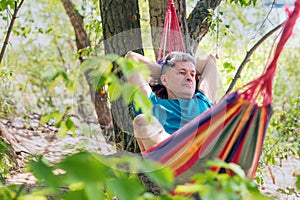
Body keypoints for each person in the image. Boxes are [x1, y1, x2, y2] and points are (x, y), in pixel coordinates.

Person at [125, 51, 218, 151]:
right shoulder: (152, 104)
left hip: (204, 153)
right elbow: (131, 57)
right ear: (164, 80)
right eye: (182, 73)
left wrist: (170, 71)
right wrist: (165, 71)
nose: (189, 78)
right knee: (141, 120)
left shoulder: (203, 100)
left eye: (192, 74)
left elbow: (210, 59)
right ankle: (178, 150)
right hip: (169, 157)